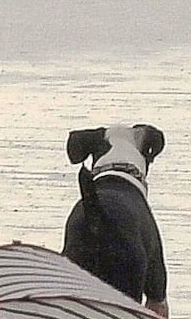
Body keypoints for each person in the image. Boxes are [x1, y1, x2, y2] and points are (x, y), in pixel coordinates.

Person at [61, 122, 169, 308]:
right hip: (128, 249)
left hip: (85, 214)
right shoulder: (139, 214)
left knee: (72, 313)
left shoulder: (82, 209)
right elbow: (157, 303)